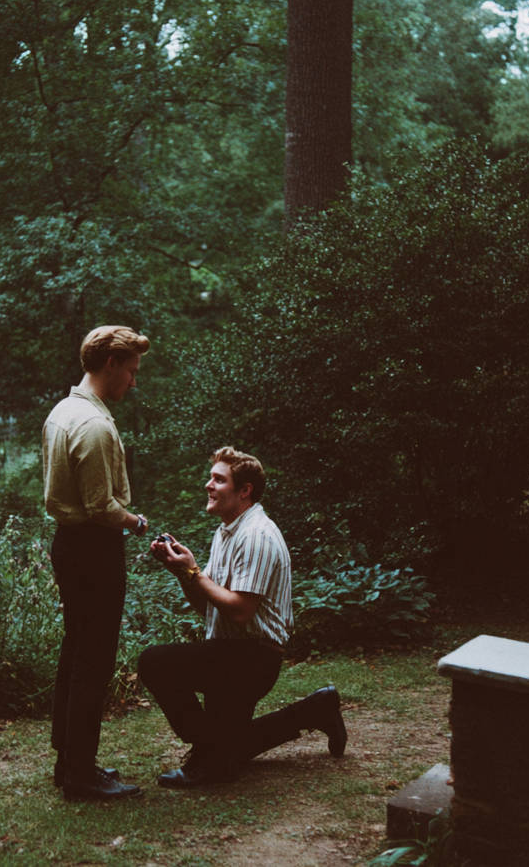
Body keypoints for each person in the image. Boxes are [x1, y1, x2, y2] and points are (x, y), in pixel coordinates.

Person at [138, 446, 347, 788]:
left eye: (219, 480)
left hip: (252, 659)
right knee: (229, 749)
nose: (208, 485)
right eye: (211, 478)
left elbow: (240, 611)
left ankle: (210, 749)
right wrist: (182, 573)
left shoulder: (256, 535)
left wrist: (193, 572)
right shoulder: (227, 532)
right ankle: (315, 709)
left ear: (244, 490)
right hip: (230, 652)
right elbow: (209, 605)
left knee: (154, 662)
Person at [42, 325, 151, 801]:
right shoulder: (93, 425)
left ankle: (69, 760)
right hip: (93, 548)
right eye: (131, 371)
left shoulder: (63, 411)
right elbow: (101, 507)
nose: (133, 381)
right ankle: (81, 775)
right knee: (94, 659)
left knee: (76, 650)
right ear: (111, 364)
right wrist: (136, 522)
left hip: (70, 545)